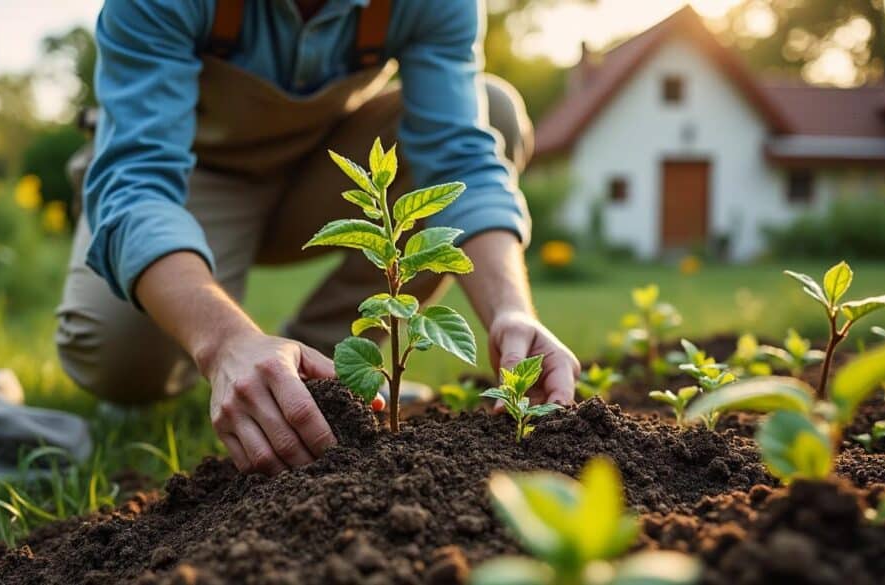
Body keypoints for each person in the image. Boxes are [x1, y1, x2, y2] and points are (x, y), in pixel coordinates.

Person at [56, 0, 580, 475]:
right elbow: (138, 184)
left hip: (323, 168)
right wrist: (224, 342)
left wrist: (512, 310)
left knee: (495, 109)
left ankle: (322, 374)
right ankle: (243, 363)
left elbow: (459, 158)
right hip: (193, 179)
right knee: (120, 357)